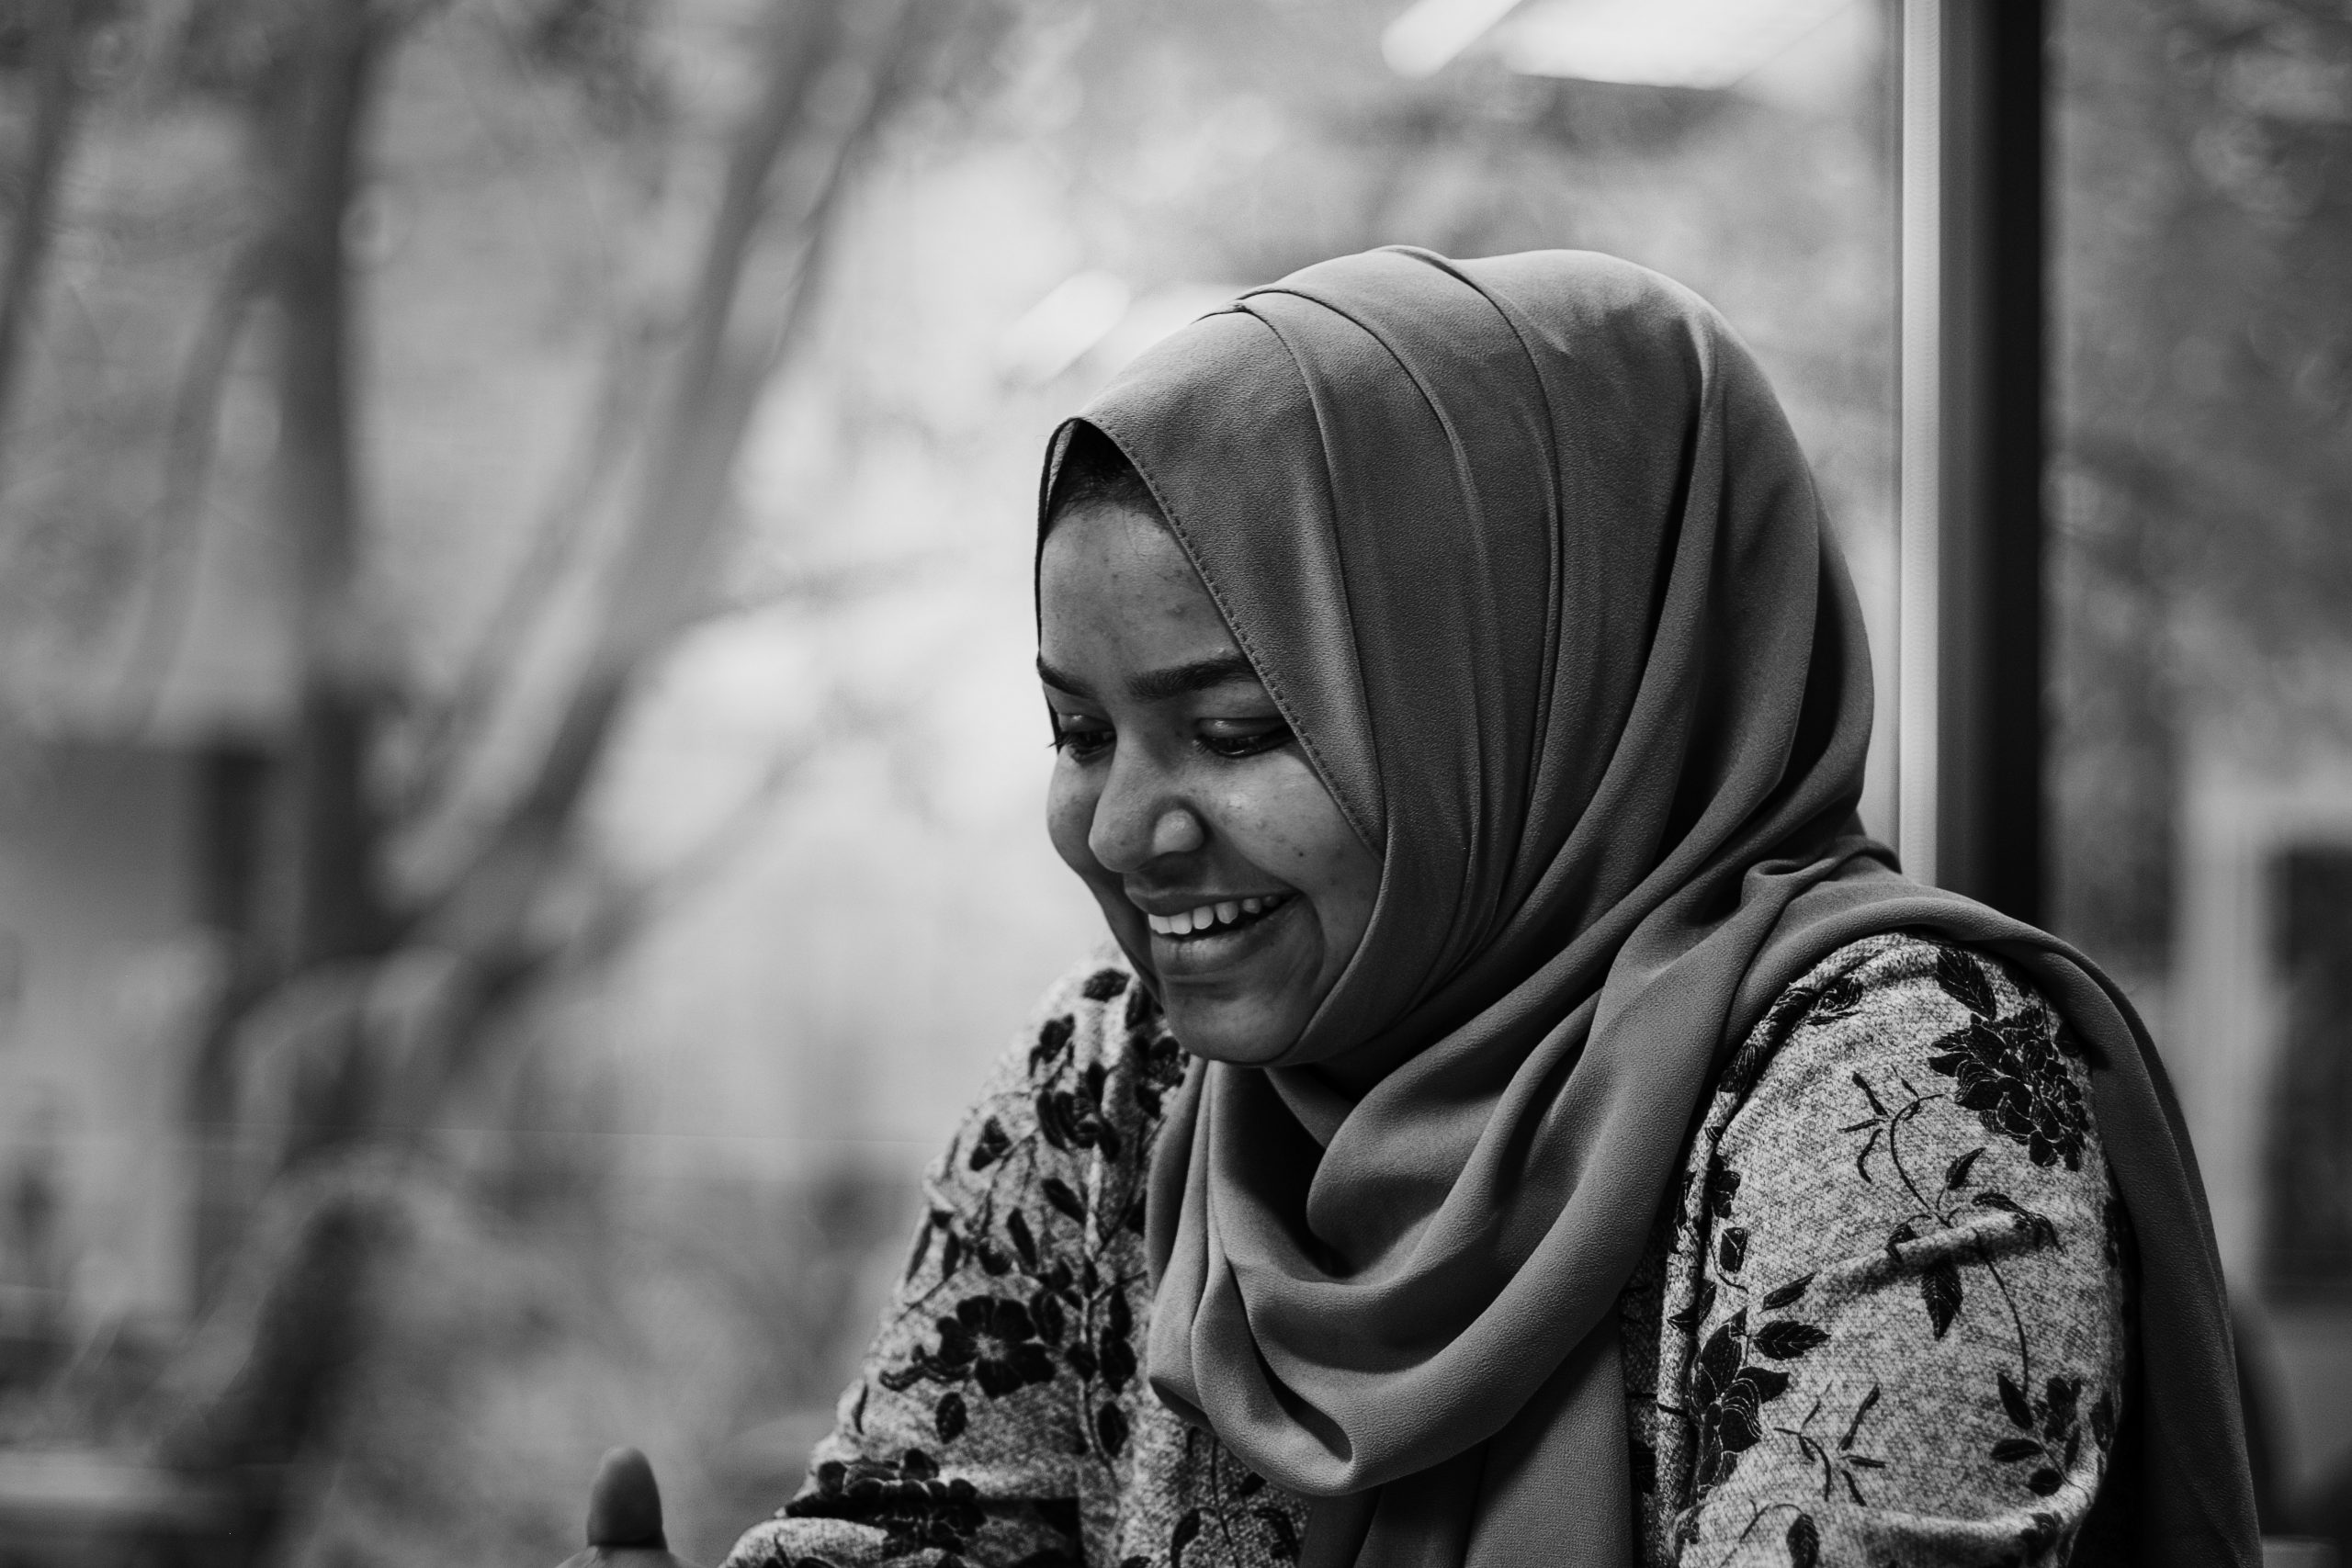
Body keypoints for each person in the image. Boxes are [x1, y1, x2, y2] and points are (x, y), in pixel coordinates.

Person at [561, 249, 2258, 1568]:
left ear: (1520, 702)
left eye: (1240, 733)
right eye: (1080, 734)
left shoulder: (1894, 1083)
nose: (1125, 831)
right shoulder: (1115, 1086)